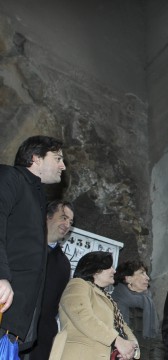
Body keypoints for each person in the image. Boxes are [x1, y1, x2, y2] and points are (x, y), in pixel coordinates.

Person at [0, 135, 66, 351]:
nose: (62, 166)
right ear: (36, 158)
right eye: (57, 158)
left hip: (14, 326)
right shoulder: (10, 177)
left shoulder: (37, 197)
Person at [49, 251, 140, 360]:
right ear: (95, 270)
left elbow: (123, 327)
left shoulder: (108, 298)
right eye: (109, 267)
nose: (114, 271)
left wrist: (132, 349)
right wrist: (117, 340)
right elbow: (83, 316)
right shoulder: (78, 284)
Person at [28, 200, 74, 360]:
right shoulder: (24, 245)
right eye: (63, 217)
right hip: (10, 328)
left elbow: (55, 304)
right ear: (47, 216)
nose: (67, 224)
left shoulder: (64, 264)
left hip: (41, 339)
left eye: (70, 221)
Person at [112, 260, 162, 359]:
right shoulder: (112, 303)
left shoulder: (149, 304)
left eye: (146, 274)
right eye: (142, 273)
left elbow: (157, 341)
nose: (148, 278)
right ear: (128, 278)